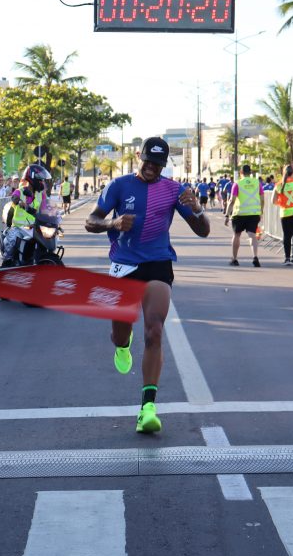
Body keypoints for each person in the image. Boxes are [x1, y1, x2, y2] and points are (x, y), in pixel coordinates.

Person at [86, 137, 209, 434]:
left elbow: (203, 231)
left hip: (157, 262)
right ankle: (123, 344)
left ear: (164, 165)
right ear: (138, 157)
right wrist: (112, 225)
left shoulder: (174, 190)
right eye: (148, 162)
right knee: (120, 333)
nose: (152, 167)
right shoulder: (119, 186)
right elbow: (91, 221)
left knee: (154, 330)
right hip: (124, 264)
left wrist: (198, 208)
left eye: (158, 164)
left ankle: (148, 408)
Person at [224, 165, 264, 267]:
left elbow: (232, 201)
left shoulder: (237, 184)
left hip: (240, 213)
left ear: (241, 172)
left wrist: (227, 215)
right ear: (250, 172)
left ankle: (234, 259)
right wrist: (260, 212)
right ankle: (255, 257)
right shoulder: (257, 183)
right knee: (252, 235)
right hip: (253, 213)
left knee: (237, 235)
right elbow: (262, 199)